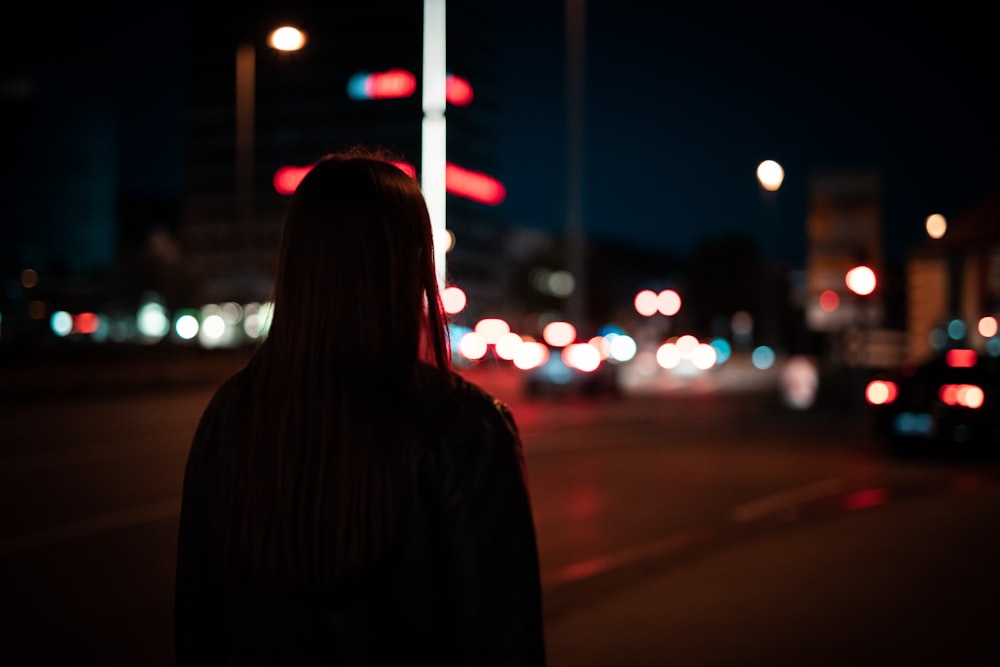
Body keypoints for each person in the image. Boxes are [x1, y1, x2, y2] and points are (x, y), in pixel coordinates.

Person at [174, 150, 546, 665]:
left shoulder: (232, 415)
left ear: (297, 264)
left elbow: (198, 624)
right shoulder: (464, 427)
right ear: (410, 266)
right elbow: (505, 639)